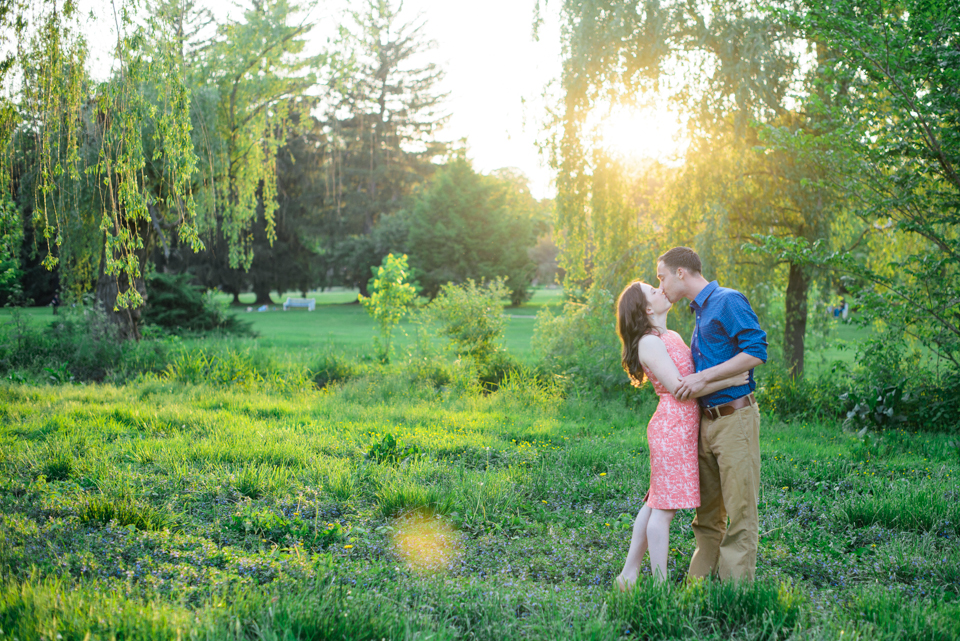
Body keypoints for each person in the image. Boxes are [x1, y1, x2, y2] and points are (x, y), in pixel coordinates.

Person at [614, 280, 749, 588]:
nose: (662, 290)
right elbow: (680, 389)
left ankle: (629, 574)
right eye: (653, 290)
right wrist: (729, 380)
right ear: (647, 308)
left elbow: (696, 375)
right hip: (671, 428)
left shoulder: (670, 335)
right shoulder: (649, 342)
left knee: (655, 503)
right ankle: (659, 586)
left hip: (685, 427)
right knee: (664, 509)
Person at [656, 247, 767, 583]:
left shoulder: (727, 300)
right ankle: (698, 587)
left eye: (661, 277)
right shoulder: (700, 313)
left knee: (741, 513)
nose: (659, 286)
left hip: (735, 421)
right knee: (706, 516)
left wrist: (704, 378)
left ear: (681, 273)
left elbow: (756, 351)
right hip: (705, 423)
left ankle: (734, 598)